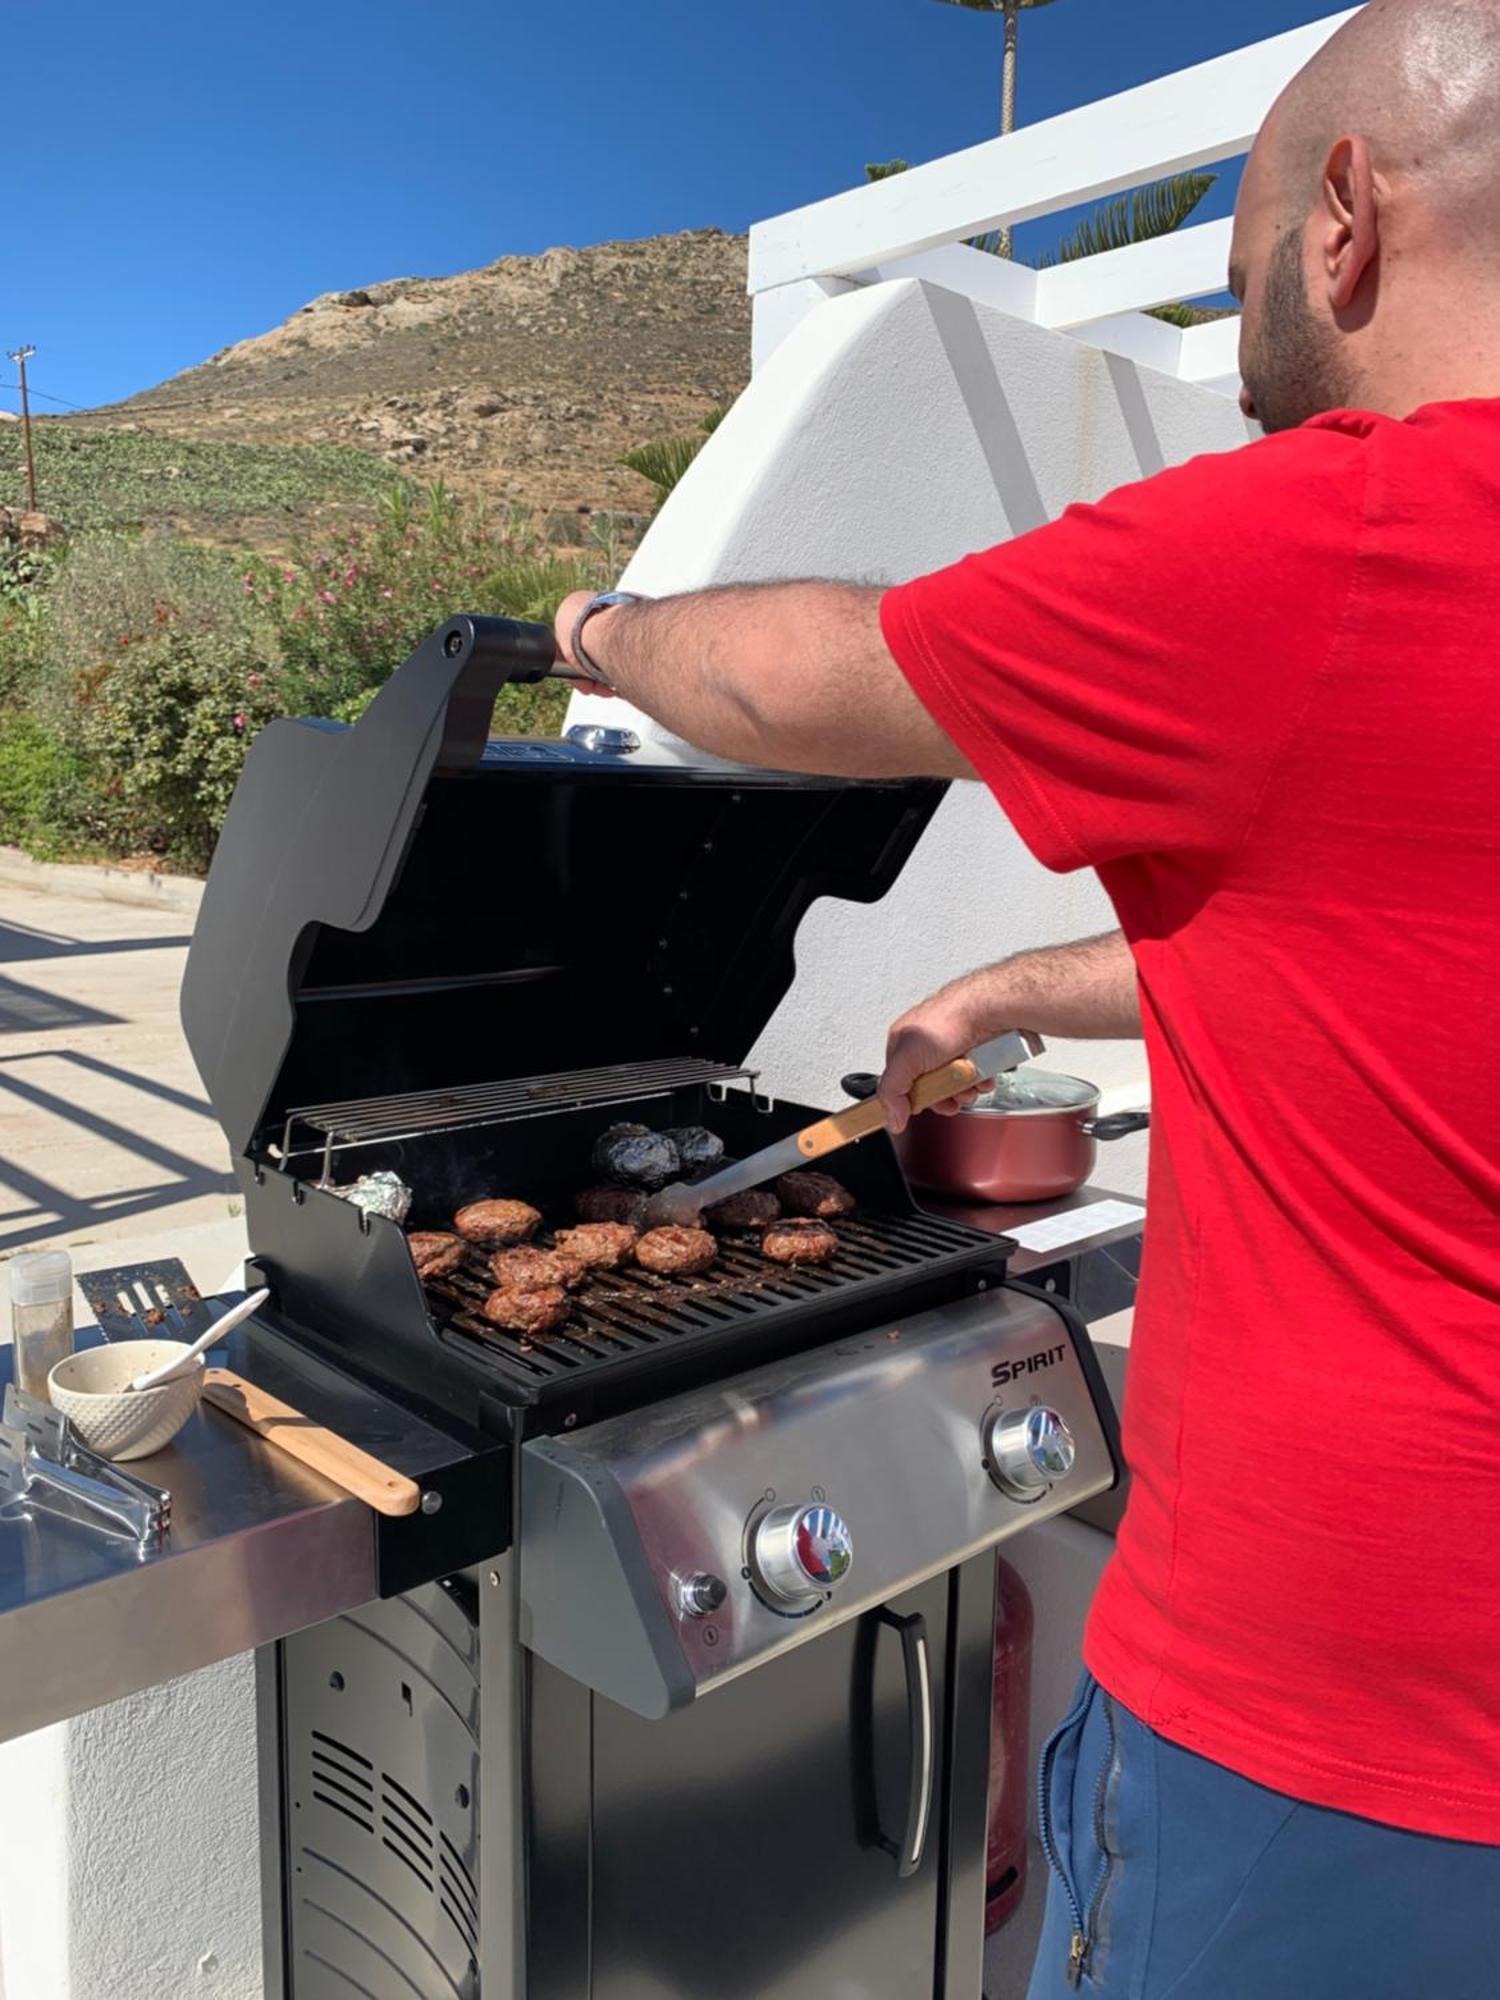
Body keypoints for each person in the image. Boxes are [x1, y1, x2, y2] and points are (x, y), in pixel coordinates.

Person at [553, 0, 1500, 1990]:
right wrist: (1023, 984)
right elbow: (1390, 947)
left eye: (1242, 278)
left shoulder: (1329, 536)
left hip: (1324, 1756)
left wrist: (594, 627)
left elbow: (811, 673)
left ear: (1346, 220)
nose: (1248, 344)